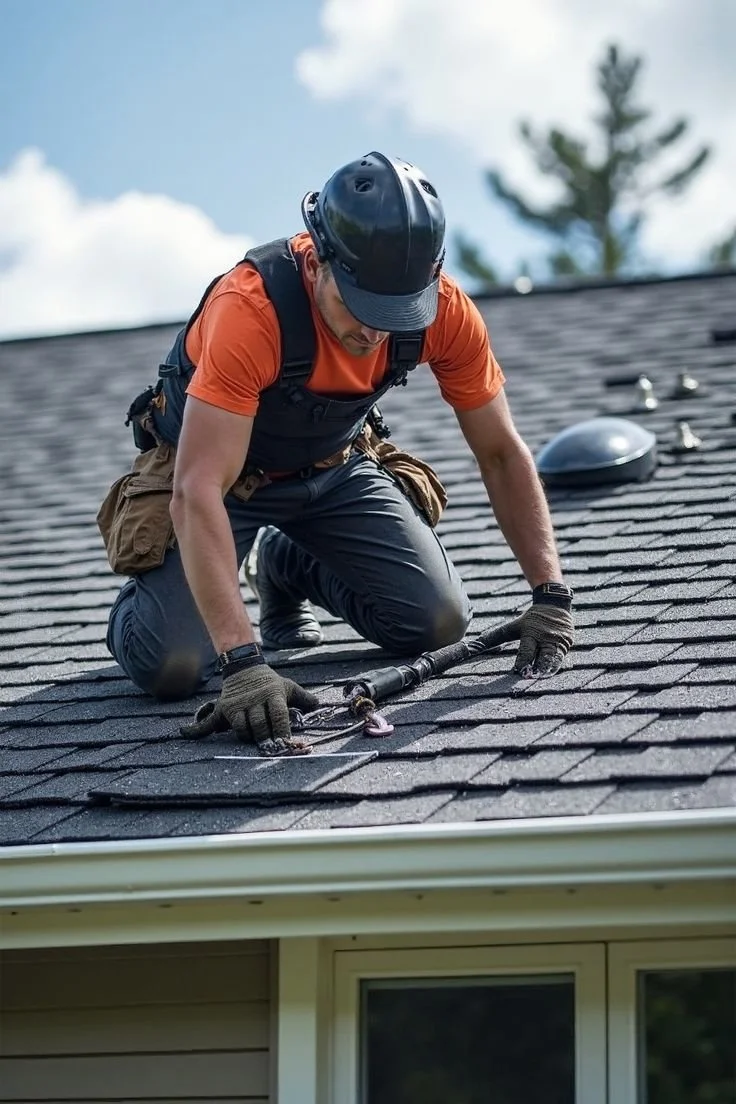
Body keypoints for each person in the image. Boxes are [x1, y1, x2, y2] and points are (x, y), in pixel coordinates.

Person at [100, 151, 574, 756]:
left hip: (331, 468)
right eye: (361, 305)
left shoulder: (445, 311)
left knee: (437, 624)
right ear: (320, 259)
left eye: (396, 310)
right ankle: (147, 609)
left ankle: (285, 563)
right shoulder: (251, 311)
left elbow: (503, 454)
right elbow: (196, 490)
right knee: (171, 664)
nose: (376, 332)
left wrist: (550, 593)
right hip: (218, 482)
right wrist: (243, 662)